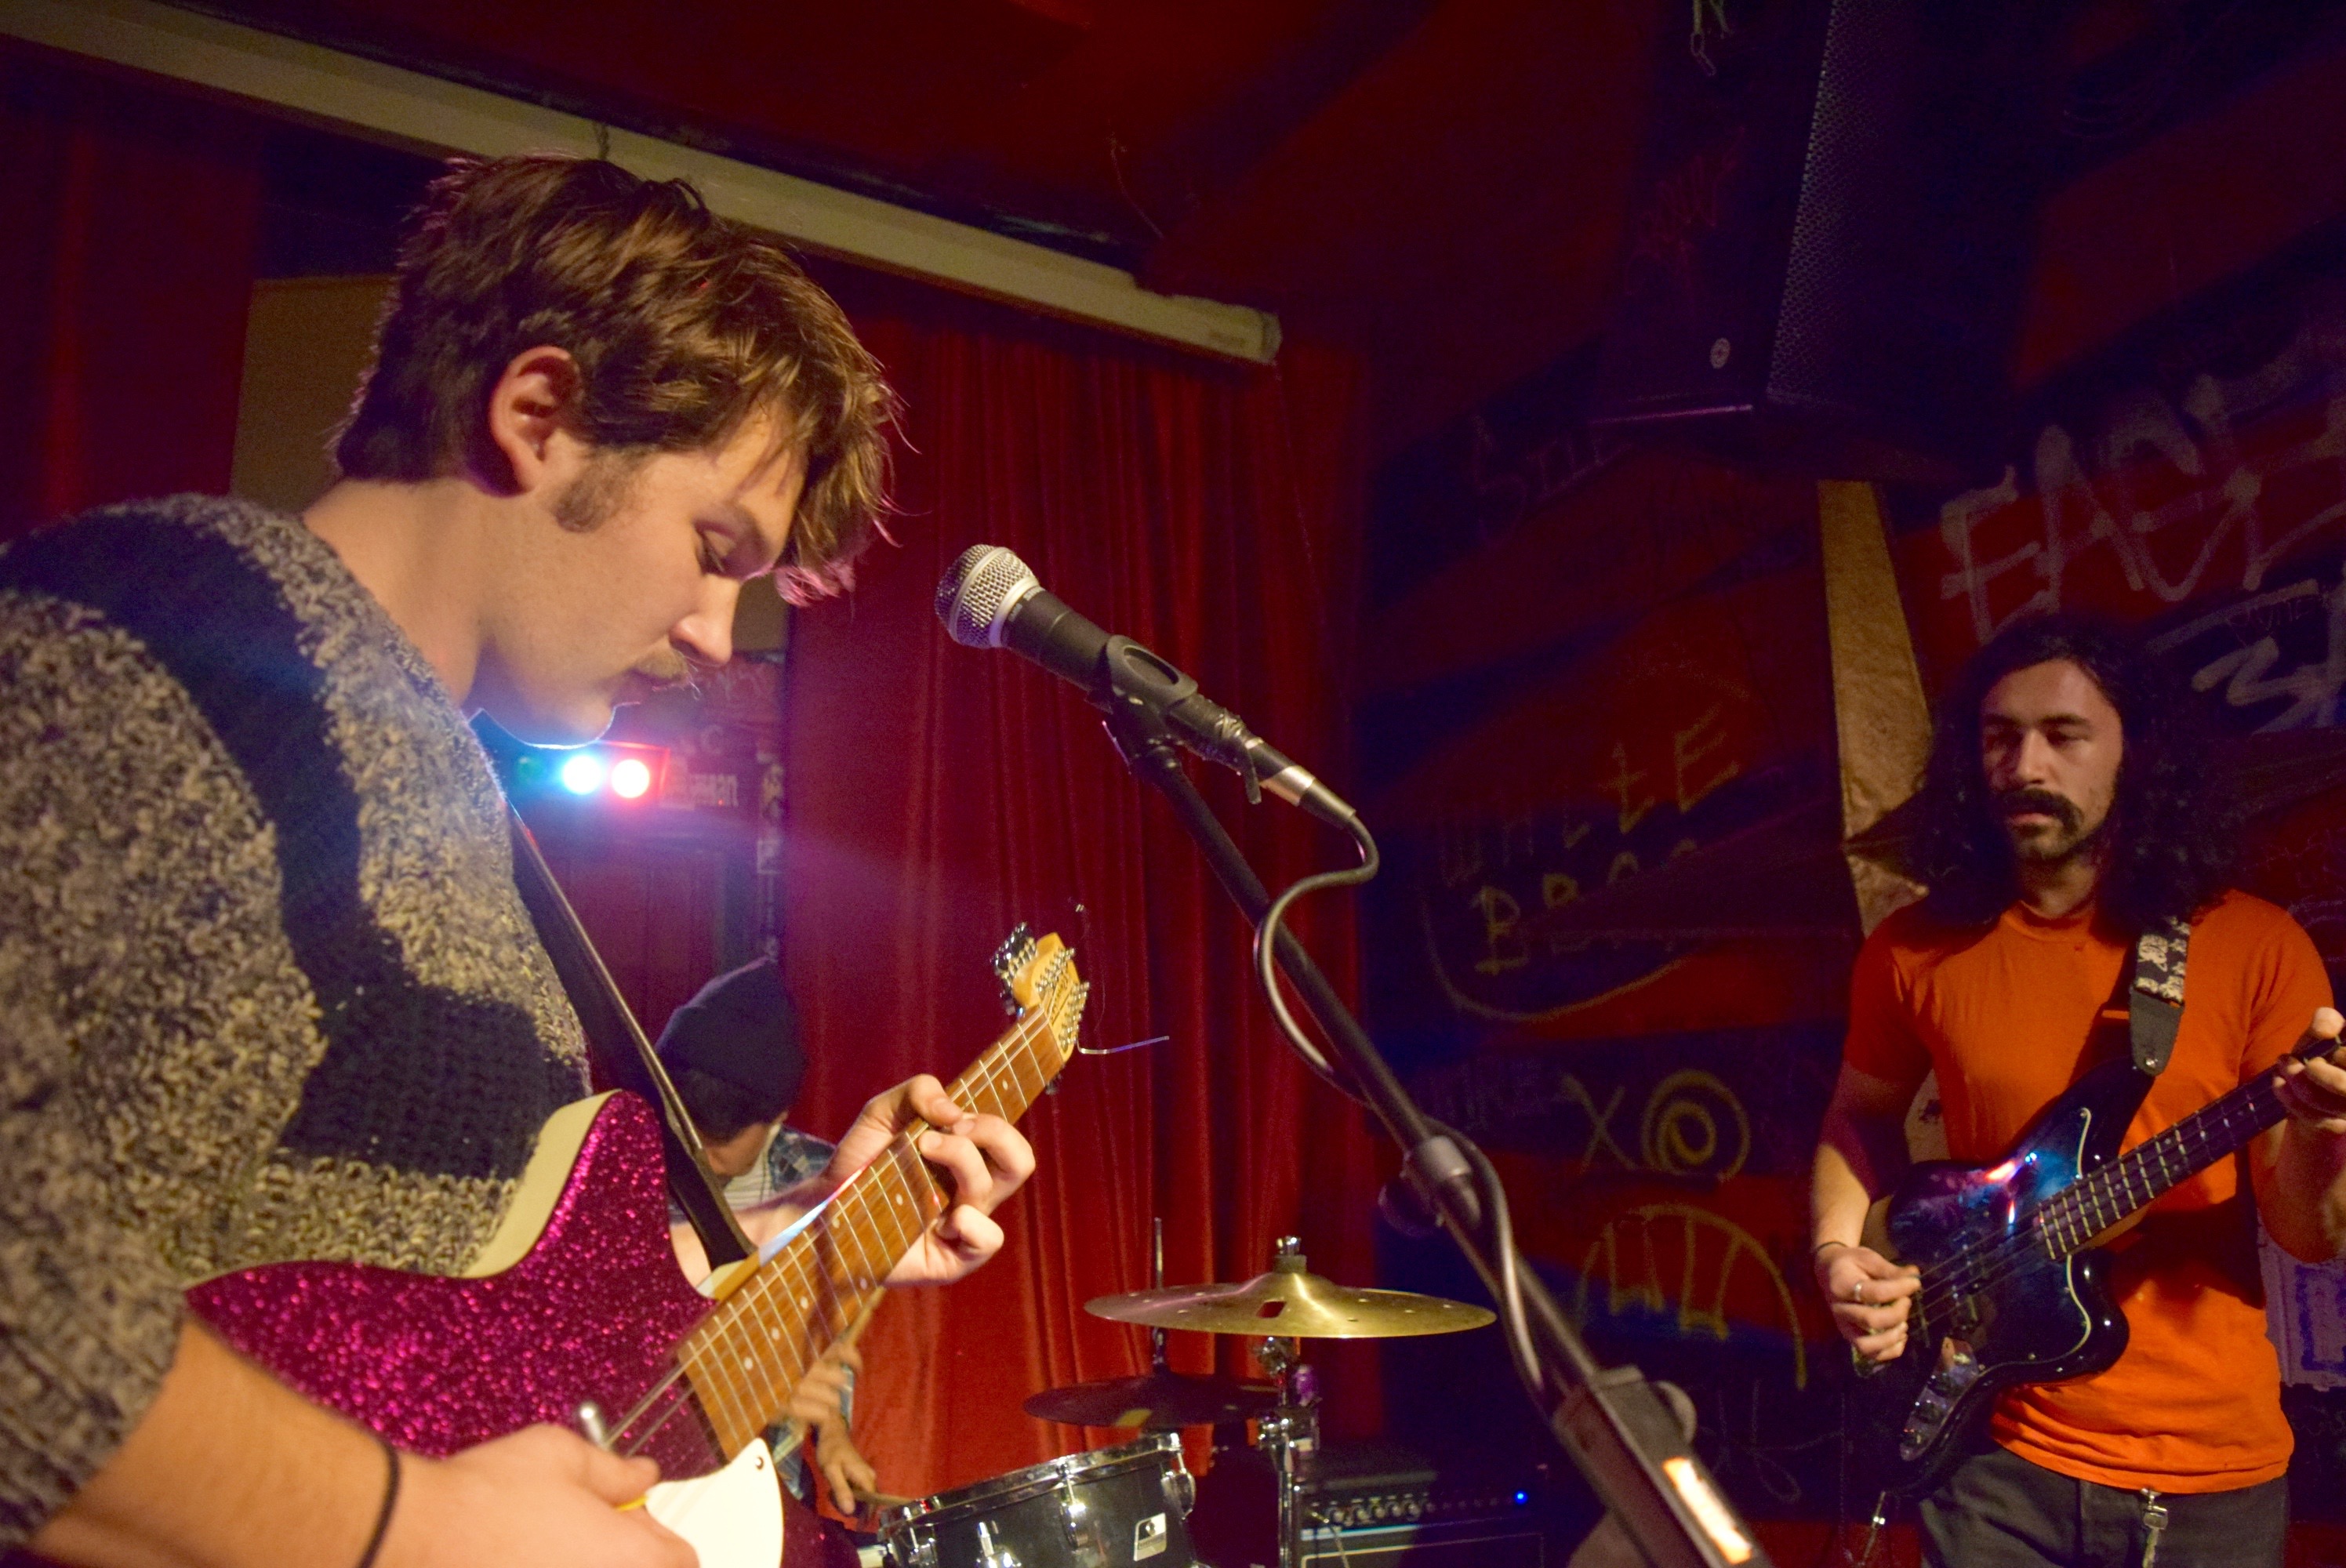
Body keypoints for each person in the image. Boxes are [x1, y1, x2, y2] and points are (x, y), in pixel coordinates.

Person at [0, 154, 1035, 1568]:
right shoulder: (184, 641)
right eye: (712, 546)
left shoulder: (436, 798)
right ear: (538, 416)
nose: (716, 636)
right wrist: (407, 1529)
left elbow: (488, 1331)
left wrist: (817, 1230)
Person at [1810, 613, 2346, 1567]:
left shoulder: (2253, 946)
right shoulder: (1913, 949)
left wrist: (2323, 1124)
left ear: (2134, 755)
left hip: (2204, 1478)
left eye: (2063, 735)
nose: (2024, 765)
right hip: (1990, 1454)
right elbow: (1858, 1112)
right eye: (1999, 736)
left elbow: (2311, 1232)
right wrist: (1836, 1251)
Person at [655, 958, 878, 1515]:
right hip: (645, 1476)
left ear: (777, 1116)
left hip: (760, 1494)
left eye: (721, 1144)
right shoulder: (621, 1169)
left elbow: (822, 1330)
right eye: (687, 1130)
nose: (698, 1156)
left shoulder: (819, 1180)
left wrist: (833, 1433)